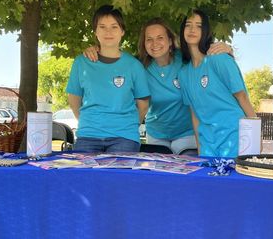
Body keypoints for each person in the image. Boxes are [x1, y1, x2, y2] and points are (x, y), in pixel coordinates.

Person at [83, 18, 232, 154]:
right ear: (144, 44)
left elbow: (210, 61)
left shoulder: (186, 59)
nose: (155, 43)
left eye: (160, 38)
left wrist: (227, 50)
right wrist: (96, 50)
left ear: (170, 40)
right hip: (156, 135)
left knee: (186, 170)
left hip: (187, 133)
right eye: (149, 39)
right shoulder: (137, 66)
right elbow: (112, 66)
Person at [66, 5, 150, 153]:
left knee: (119, 170)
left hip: (124, 137)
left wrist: (127, 126)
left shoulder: (134, 66)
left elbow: (143, 105)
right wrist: (90, 124)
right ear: (95, 31)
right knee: (82, 169)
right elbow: (74, 100)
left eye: (114, 27)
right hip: (88, 136)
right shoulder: (81, 63)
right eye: (102, 27)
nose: (108, 32)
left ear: (122, 31)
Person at [178, 9, 256, 157]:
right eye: (188, 25)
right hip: (207, 143)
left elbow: (243, 97)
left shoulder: (219, 58)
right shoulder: (183, 74)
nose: (192, 29)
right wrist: (200, 148)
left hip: (234, 137)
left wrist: (256, 138)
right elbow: (194, 114)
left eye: (199, 26)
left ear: (205, 31)